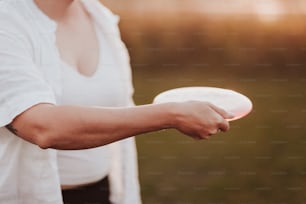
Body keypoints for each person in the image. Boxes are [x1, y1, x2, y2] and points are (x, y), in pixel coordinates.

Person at [0, 0, 233, 203]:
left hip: (102, 192)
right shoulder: (6, 21)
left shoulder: (98, 16)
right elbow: (43, 127)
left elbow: (116, 108)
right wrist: (171, 114)